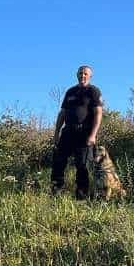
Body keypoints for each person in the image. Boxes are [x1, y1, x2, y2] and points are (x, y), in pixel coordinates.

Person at [51, 65, 103, 198]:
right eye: (80, 73)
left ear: (90, 76)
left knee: (82, 165)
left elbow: (98, 113)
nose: (83, 76)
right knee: (58, 161)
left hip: (84, 133)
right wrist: (56, 133)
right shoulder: (70, 92)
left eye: (85, 74)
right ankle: (56, 192)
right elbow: (62, 113)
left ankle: (82, 195)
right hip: (67, 132)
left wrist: (93, 135)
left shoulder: (93, 91)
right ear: (77, 75)